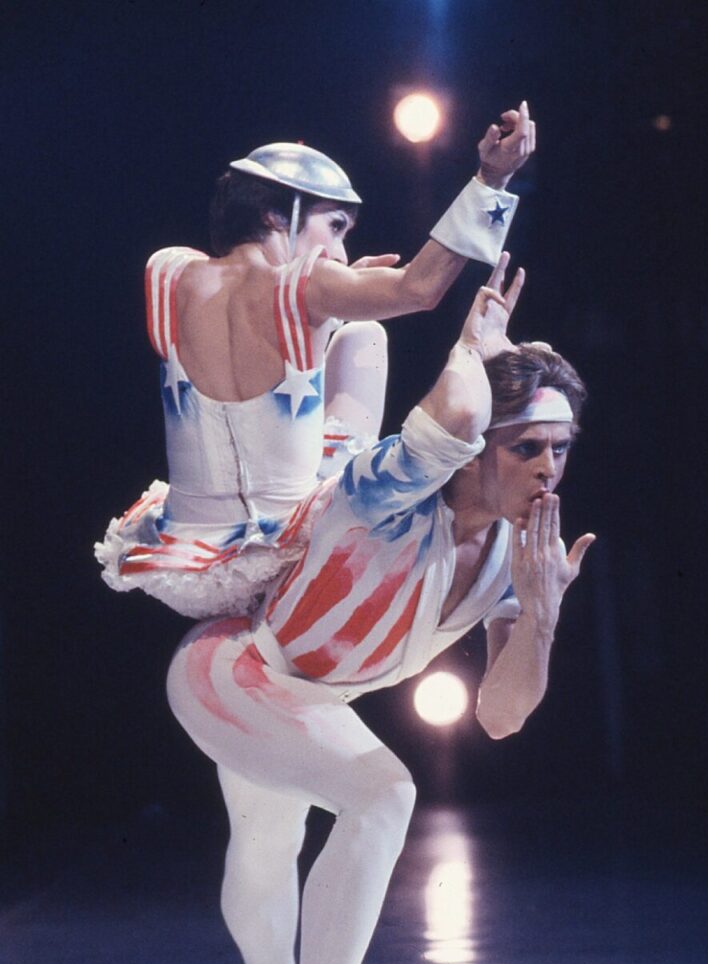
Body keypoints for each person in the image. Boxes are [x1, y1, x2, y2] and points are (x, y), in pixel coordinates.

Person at [165, 255, 596, 964]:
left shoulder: (518, 555)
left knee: (266, 837)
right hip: (232, 669)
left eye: (560, 449)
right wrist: (476, 345)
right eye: (525, 447)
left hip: (298, 697)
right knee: (380, 793)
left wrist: (541, 618)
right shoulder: (388, 491)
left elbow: (502, 716)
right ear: (479, 445)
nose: (547, 468)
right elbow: (449, 417)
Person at [95, 105, 535, 618]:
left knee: (347, 335)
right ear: (274, 215)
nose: (341, 254)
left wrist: (327, 306)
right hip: (295, 544)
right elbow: (421, 288)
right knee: (366, 338)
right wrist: (491, 179)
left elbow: (249, 336)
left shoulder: (167, 272)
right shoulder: (304, 285)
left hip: (190, 555)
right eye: (335, 226)